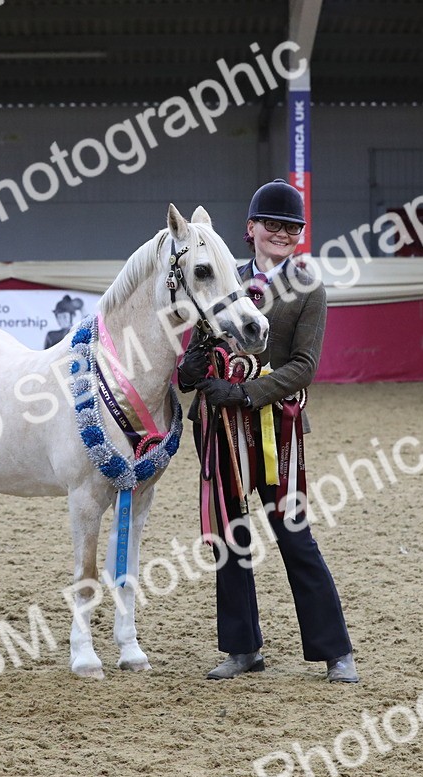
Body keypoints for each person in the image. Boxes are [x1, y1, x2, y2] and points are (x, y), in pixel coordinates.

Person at [178, 179, 359, 683]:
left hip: (276, 430)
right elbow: (200, 349)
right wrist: (193, 370)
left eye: (291, 227)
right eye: (272, 224)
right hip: (219, 431)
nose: (281, 232)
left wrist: (248, 393)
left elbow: (304, 365)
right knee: (230, 536)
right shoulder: (222, 278)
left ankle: (335, 650)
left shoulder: (308, 287)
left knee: (293, 535)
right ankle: (242, 648)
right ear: (251, 229)